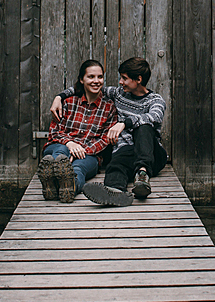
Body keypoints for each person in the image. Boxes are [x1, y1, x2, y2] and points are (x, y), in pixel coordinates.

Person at [51, 57, 166, 207]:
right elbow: (87, 87)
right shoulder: (119, 94)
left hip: (152, 155)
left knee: (144, 127)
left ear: (138, 79)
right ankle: (115, 192)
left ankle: (142, 174)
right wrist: (59, 97)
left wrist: (124, 123)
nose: (120, 82)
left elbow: (154, 116)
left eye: (124, 78)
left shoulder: (155, 100)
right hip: (127, 151)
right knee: (115, 164)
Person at [38, 59, 119, 203]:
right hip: (59, 146)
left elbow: (106, 138)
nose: (96, 81)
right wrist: (70, 144)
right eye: (91, 77)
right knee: (60, 152)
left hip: (89, 155)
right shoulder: (68, 102)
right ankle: (53, 176)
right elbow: (54, 132)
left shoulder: (109, 107)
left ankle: (67, 188)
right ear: (82, 79)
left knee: (78, 169)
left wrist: (81, 151)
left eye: (100, 77)